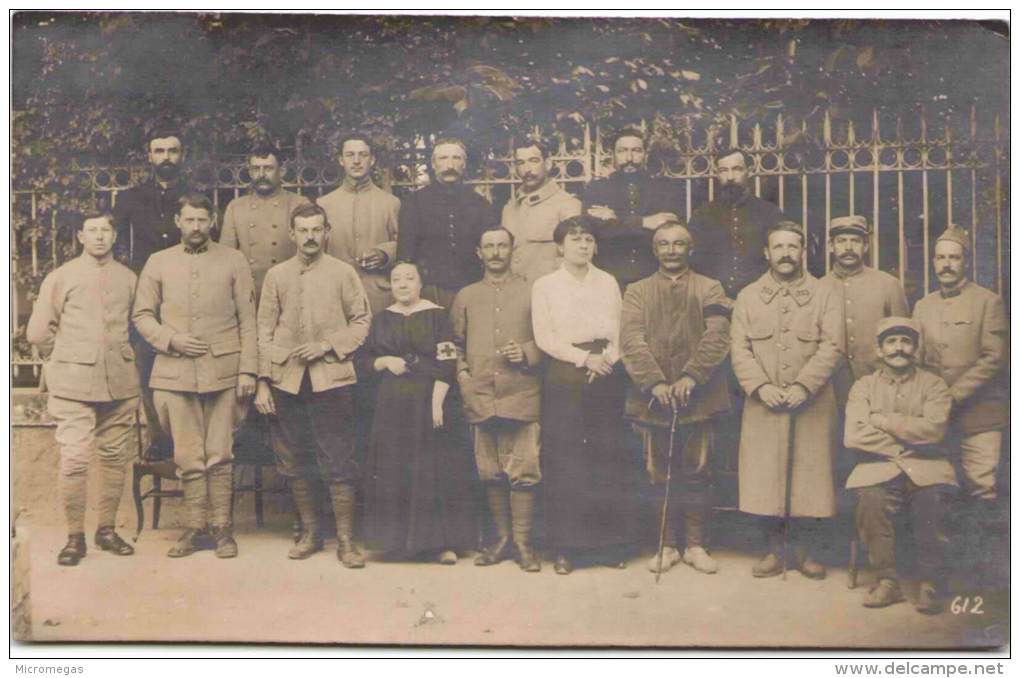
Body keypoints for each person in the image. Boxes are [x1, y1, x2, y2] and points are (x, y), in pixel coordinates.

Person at [132, 193, 257, 558]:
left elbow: (249, 320)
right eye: (190, 220)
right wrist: (171, 340)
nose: (197, 227)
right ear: (178, 222)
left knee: (219, 452)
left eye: (203, 220)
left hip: (224, 372)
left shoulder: (234, 261)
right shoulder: (157, 263)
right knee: (188, 453)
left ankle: (222, 529)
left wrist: (248, 369)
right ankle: (194, 529)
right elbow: (141, 315)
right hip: (173, 372)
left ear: (212, 220)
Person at [254, 203, 372, 567]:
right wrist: (262, 381)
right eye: (302, 230)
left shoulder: (343, 273)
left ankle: (346, 541)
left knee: (338, 458)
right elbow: (263, 330)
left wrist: (326, 346)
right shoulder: (277, 276)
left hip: (332, 380)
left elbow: (361, 321)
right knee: (294, 458)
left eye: (316, 229)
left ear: (326, 232)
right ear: (292, 234)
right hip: (287, 382)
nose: (309, 236)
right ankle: (310, 533)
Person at [730, 220, 842, 579]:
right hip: (764, 401)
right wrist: (761, 386)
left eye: (792, 247)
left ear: (803, 252)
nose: (785, 254)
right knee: (766, 477)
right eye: (778, 247)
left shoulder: (825, 293)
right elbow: (739, 349)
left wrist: (804, 386)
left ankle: (805, 552)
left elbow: (833, 344)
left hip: (811, 401)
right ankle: (773, 551)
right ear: (766, 253)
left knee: (810, 477)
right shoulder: (748, 296)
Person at [26, 211, 140, 566]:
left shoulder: (128, 278)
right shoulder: (61, 277)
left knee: (114, 458)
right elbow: (37, 332)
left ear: (114, 236)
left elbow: (140, 324)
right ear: (79, 237)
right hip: (73, 383)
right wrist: (62, 358)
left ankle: (106, 530)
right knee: (74, 458)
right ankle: (74, 537)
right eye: (92, 231)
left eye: (106, 230)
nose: (99, 237)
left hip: (119, 381)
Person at [620, 221, 732, 575]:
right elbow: (630, 340)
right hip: (653, 400)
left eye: (679, 244)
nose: (671, 250)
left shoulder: (710, 288)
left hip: (699, 397)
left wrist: (691, 376)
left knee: (699, 471)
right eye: (664, 244)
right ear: (655, 251)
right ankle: (666, 546)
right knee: (657, 474)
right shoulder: (636, 291)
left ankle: (696, 546)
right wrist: (653, 382)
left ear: (690, 249)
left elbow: (718, 336)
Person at [532, 215, 638, 574]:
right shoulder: (545, 286)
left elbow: (620, 330)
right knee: (566, 459)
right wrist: (584, 359)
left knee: (606, 455)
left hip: (606, 372)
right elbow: (545, 336)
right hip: (565, 371)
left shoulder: (608, 282)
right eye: (575, 239)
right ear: (560, 247)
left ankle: (608, 546)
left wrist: (606, 360)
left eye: (588, 239)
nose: (582, 245)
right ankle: (565, 547)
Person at [357, 262, 477, 563]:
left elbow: (448, 360)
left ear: (421, 283)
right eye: (396, 279)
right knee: (395, 466)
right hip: (392, 405)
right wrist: (384, 362)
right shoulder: (382, 319)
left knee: (433, 468)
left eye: (410, 278)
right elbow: (364, 362)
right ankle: (395, 542)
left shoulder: (437, 316)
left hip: (431, 399)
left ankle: (441, 543)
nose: (403, 284)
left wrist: (437, 401)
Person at [844, 317, 955, 614]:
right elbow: (854, 434)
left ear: (915, 349)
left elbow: (933, 431)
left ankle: (930, 583)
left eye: (906, 342)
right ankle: (887, 582)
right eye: (891, 342)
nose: (899, 349)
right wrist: (903, 443)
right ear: (879, 350)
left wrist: (882, 421)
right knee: (871, 500)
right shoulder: (863, 386)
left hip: (928, 466)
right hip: (877, 467)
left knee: (931, 500)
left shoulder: (934, 385)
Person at [451, 228, 543, 572]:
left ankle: (523, 542)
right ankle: (502, 539)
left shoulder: (533, 291)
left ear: (512, 250)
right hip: (481, 395)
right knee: (489, 471)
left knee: (524, 470)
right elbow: (453, 345)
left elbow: (548, 337)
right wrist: (462, 376)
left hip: (522, 392)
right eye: (488, 246)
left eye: (502, 245)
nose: (495, 252)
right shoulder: (466, 295)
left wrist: (528, 352)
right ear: (479, 252)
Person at [913, 227, 1008, 557]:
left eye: (954, 257)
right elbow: (917, 359)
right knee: (940, 485)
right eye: (941, 258)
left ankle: (982, 568)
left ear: (966, 262)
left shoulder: (988, 302)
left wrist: (952, 395)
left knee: (981, 485)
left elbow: (994, 358)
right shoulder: (923, 306)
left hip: (980, 415)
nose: (947, 264)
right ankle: (945, 565)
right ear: (933, 263)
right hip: (938, 418)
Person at [112, 127, 189, 460]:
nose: (166, 158)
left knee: (183, 364)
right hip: (145, 297)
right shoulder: (129, 198)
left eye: (172, 151)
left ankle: (187, 437)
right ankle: (159, 438)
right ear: (149, 156)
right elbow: (116, 246)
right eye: (159, 151)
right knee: (147, 368)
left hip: (185, 294)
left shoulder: (192, 196)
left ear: (181, 156)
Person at [396, 137, 498, 308]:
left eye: (456, 158)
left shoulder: (480, 204)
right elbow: (405, 254)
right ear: (433, 164)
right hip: (429, 291)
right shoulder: (414, 203)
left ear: (464, 164)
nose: (450, 165)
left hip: (471, 288)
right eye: (443, 158)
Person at [819, 215, 909, 409]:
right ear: (830, 246)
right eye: (842, 241)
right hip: (831, 392)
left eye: (856, 241)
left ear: (866, 247)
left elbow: (906, 343)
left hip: (881, 390)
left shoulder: (888, 285)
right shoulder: (818, 288)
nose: (849, 247)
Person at [581, 128, 682, 289]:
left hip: (654, 278)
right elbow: (599, 231)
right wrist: (643, 222)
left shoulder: (664, 189)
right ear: (613, 156)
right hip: (609, 280)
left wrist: (616, 219)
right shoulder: (597, 189)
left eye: (636, 151)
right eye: (622, 151)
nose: (629, 158)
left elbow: (669, 232)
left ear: (645, 155)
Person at [318, 133, 401, 314]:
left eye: (363, 155)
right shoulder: (324, 204)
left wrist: (384, 253)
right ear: (341, 160)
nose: (356, 161)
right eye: (350, 155)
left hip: (378, 296)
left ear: (372, 160)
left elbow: (404, 244)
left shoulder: (390, 202)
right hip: (336, 296)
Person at [687, 149, 786, 299]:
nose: (730, 177)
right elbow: (693, 261)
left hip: (760, 298)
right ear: (717, 174)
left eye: (737, 169)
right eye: (723, 171)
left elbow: (779, 258)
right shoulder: (702, 214)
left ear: (749, 172)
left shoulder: (769, 213)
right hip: (712, 298)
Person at [219, 143, 309, 301]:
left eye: (268, 168)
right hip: (249, 293)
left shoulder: (299, 204)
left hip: (289, 291)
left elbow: (310, 255)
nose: (261, 174)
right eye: (255, 169)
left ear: (281, 171)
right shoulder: (236, 207)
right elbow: (226, 258)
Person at [500, 137, 581, 284]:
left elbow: (575, 261)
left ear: (548, 164)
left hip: (550, 294)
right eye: (520, 163)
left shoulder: (567, 205)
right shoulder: (510, 207)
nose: (527, 169)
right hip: (514, 293)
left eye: (533, 161)